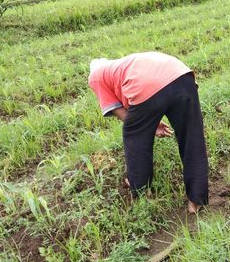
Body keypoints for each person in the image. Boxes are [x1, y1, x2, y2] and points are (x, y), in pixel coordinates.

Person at [88, 52, 209, 214]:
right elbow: (150, 105)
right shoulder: (122, 65)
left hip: (148, 85)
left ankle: (140, 193)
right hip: (182, 75)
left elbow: (121, 112)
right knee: (192, 137)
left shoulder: (95, 76)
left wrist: (146, 125)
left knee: (134, 135)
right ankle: (197, 200)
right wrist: (153, 123)